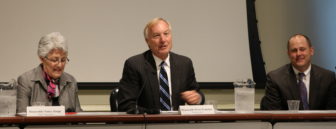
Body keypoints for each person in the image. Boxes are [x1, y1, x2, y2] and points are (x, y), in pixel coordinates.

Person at [118, 17, 205, 113]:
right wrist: (157, 114)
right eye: (156, 36)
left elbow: (197, 93)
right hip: (149, 124)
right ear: (147, 41)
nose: (163, 40)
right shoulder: (135, 65)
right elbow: (126, 105)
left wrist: (197, 98)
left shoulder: (184, 64)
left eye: (166, 34)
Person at [260, 34, 336, 110]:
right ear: (288, 54)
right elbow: (273, 114)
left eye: (302, 49)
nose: (298, 54)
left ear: (311, 51)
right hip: (288, 122)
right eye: (294, 50)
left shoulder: (328, 78)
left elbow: (331, 113)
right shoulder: (275, 79)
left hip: (320, 122)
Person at [17, 32, 82, 113]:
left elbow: (79, 116)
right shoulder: (26, 81)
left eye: (63, 60)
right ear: (42, 58)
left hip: (66, 126)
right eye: (55, 60)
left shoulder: (71, 81)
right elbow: (22, 117)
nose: (60, 65)